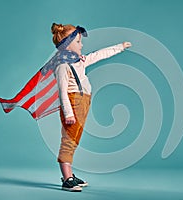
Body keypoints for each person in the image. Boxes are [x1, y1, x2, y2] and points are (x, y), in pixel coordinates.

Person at [51, 23, 132, 192]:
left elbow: (99, 55)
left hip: (84, 102)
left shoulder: (78, 61)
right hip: (73, 103)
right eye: (79, 42)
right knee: (69, 140)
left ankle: (70, 175)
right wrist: (68, 112)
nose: (82, 45)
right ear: (68, 44)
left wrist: (120, 47)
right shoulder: (62, 65)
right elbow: (62, 92)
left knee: (75, 139)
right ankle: (67, 179)